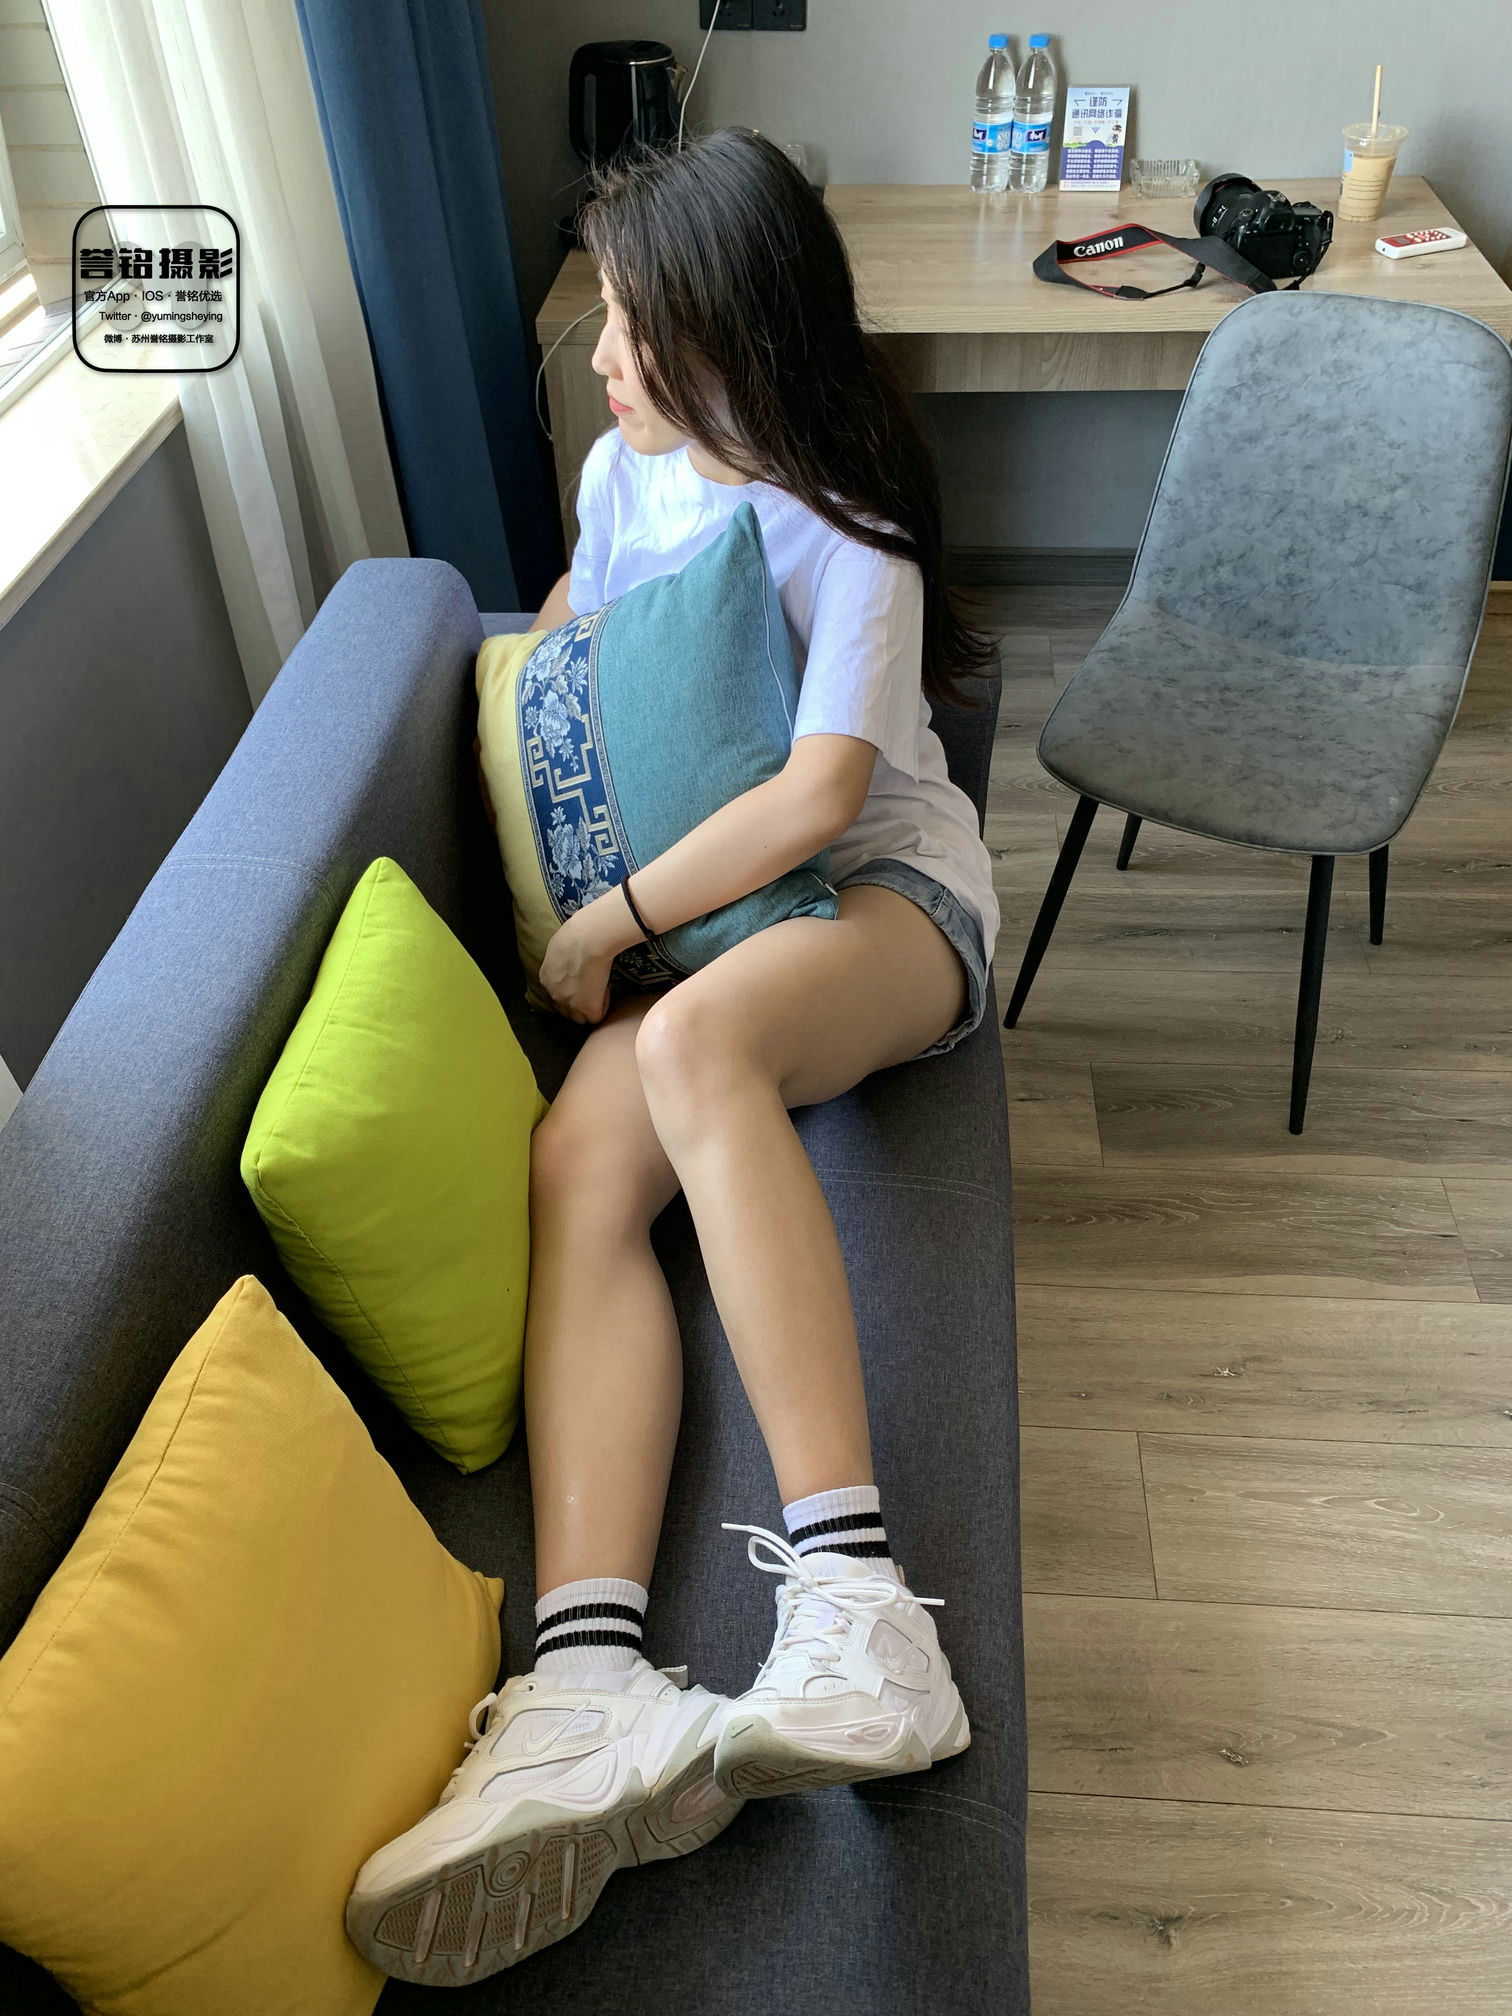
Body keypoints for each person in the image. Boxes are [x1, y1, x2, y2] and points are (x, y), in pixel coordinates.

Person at [345, 128, 1002, 1988]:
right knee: (575, 1165)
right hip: (702, 918)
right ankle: (588, 1685)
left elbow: (819, 797)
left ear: (733, 329)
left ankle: (861, 1609)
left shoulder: (843, 520)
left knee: (699, 1036)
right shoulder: (618, 471)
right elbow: (578, 634)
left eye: (635, 321)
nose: (606, 353)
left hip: (878, 904)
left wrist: (602, 921)